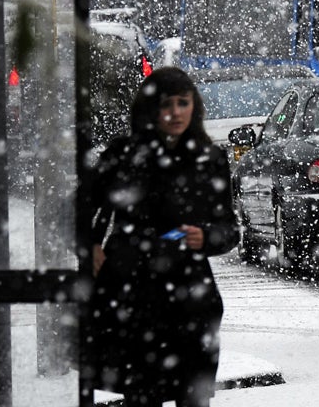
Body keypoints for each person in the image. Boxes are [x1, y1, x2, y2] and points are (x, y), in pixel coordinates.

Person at [88, 67, 239, 407]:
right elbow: (81, 206)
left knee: (193, 394)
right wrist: (90, 245)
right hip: (135, 290)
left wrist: (206, 237)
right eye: (166, 104)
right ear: (150, 108)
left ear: (194, 106)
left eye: (183, 103)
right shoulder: (125, 154)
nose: (175, 113)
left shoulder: (209, 158)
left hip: (190, 294)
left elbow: (229, 228)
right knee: (142, 393)